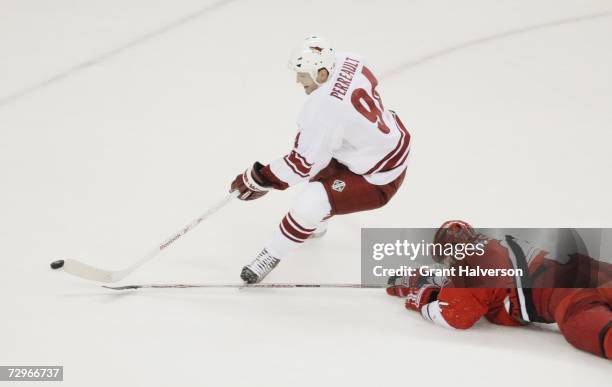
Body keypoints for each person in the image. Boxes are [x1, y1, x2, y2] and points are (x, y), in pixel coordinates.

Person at [230, 36, 410, 283]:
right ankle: (318, 224)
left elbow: (301, 164)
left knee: (311, 201)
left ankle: (270, 256)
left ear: (322, 73)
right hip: (381, 144)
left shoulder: (323, 109)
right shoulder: (350, 60)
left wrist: (259, 178)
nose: (298, 80)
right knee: (322, 169)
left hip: (379, 177)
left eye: (303, 74)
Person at [387, 220, 612, 359]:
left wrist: (421, 299)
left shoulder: (472, 259)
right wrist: (419, 279)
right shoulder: (497, 243)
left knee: (596, 332)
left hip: (568, 296)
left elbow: (456, 315)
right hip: (589, 269)